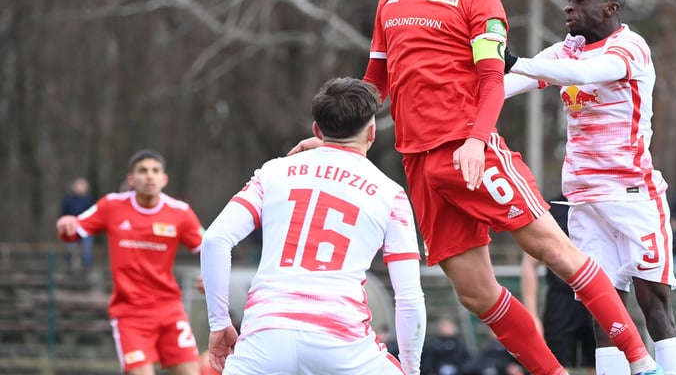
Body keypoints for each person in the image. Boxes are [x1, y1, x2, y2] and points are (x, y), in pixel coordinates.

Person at [289, 0, 662, 375]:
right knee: (475, 292)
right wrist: (328, 140)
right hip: (419, 164)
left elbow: (492, 77)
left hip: (472, 152)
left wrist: (475, 137)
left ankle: (642, 363)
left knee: (553, 250)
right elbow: (374, 85)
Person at [504, 0, 676, 375]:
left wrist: (518, 60)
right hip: (583, 202)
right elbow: (509, 82)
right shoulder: (566, 51)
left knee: (654, 306)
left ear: (611, 7)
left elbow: (586, 75)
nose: (569, 6)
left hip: (632, 195)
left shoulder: (630, 47)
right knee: (603, 313)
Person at [201, 77, 426, 375]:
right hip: (342, 342)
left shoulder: (274, 171)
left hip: (265, 335)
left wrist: (219, 323)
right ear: (372, 132)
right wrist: (411, 368)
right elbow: (409, 298)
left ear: (317, 130)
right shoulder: (389, 194)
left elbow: (215, 240)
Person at [55, 150, 204, 375]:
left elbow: (212, 248)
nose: (149, 176)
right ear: (131, 179)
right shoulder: (112, 206)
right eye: (142, 171)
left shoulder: (180, 212)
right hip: (131, 314)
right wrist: (66, 225)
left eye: (155, 171)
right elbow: (75, 229)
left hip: (170, 310)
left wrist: (211, 275)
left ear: (164, 179)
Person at [521, 195, 596, 372]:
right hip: (561, 300)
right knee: (556, 365)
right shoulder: (551, 209)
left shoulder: (601, 204)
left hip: (595, 296)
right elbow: (529, 264)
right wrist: (532, 315)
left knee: (601, 362)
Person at [60, 176, 95, 271]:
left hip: (85, 229)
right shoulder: (68, 200)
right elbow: (64, 214)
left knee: (87, 250)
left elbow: (93, 215)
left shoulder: (89, 200)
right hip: (71, 228)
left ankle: (87, 269)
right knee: (70, 250)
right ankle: (70, 268)